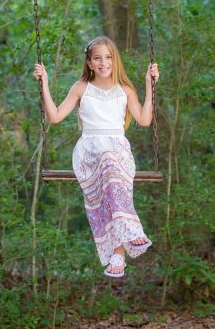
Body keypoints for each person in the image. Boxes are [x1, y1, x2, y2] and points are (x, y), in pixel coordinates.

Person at [33, 36, 159, 278]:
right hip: (90, 151)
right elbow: (56, 117)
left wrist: (149, 85)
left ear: (115, 60)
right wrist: (44, 83)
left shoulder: (125, 90)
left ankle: (118, 256)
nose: (104, 63)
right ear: (89, 63)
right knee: (108, 164)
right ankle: (131, 231)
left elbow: (144, 120)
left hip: (117, 148)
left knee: (113, 175)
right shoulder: (82, 88)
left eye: (108, 57)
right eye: (97, 58)